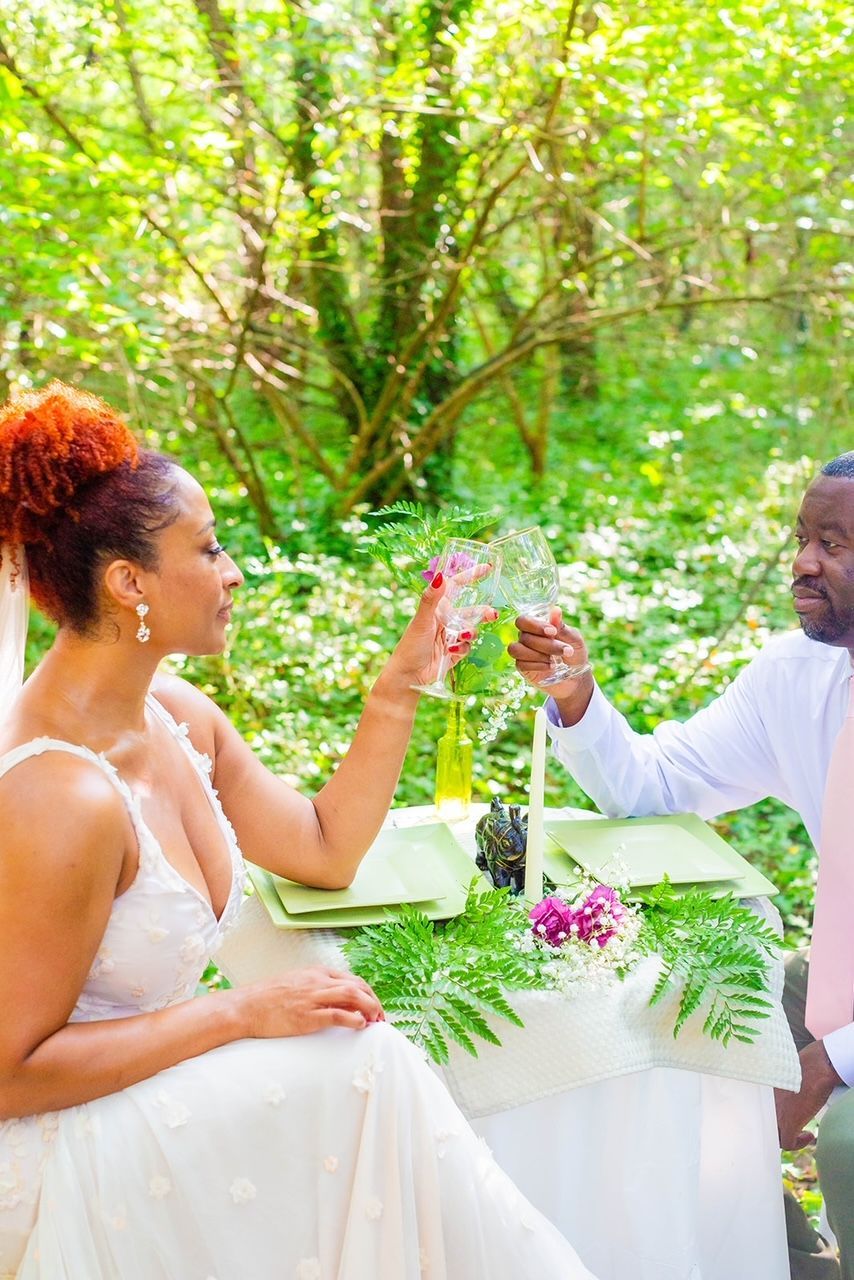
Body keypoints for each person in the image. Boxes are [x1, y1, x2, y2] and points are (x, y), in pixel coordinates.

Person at [0, 381, 598, 1280]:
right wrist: (242, 1012)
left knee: (362, 1054)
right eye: (208, 548)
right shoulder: (60, 796)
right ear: (130, 583)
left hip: (152, 1086)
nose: (233, 569)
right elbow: (12, 1073)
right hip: (63, 1147)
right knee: (365, 1066)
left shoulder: (172, 713)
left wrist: (402, 683)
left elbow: (323, 847)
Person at [509, 452, 854, 1280]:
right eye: (803, 538)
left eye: (835, 544)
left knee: (843, 1137)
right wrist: (574, 692)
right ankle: (774, 1257)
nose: (803, 564)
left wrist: (829, 1063)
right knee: (677, 1018)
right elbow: (655, 788)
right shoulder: (795, 677)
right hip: (839, 971)